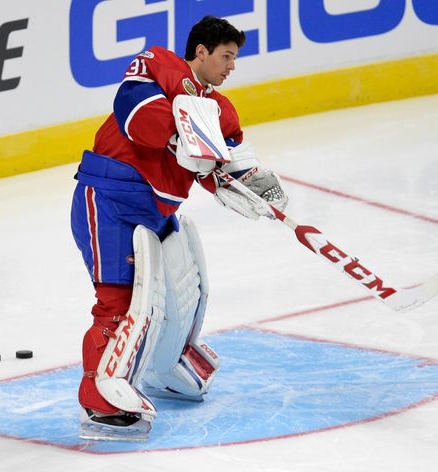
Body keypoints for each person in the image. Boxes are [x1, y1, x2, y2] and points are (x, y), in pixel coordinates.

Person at [70, 15, 288, 441]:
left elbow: (219, 170)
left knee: (179, 287)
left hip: (156, 209)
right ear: (201, 52)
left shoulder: (220, 111)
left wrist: (250, 185)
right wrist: (184, 138)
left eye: (235, 59)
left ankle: (164, 364)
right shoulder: (159, 63)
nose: (231, 67)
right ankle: (100, 397)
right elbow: (135, 116)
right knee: (119, 303)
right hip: (111, 199)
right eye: (226, 56)